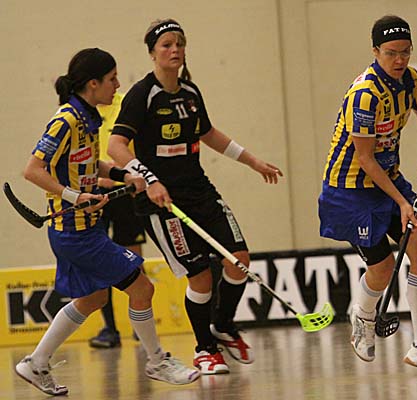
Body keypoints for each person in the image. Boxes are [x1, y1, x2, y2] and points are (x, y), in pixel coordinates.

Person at [14, 48, 199, 396]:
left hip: (86, 227)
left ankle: (35, 363)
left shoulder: (89, 117)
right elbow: (33, 170)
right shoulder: (65, 120)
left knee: (93, 299)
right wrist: (74, 197)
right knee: (142, 288)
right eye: (112, 79)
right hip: (75, 232)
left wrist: (121, 175)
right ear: (92, 83)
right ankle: (157, 361)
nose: (117, 85)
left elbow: (89, 165)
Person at [108, 19, 283, 375]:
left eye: (179, 44)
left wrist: (253, 161)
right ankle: (205, 350)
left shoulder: (190, 92)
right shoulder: (142, 95)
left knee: (239, 260)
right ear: (153, 53)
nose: (175, 50)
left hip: (199, 190)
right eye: (166, 45)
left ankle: (223, 325)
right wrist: (150, 179)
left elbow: (208, 133)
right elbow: (116, 146)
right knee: (200, 276)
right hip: (162, 201)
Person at [318, 15, 417, 371]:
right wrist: (402, 202)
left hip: (388, 178)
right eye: (391, 53)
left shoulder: (412, 80)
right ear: (375, 51)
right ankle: (363, 316)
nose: (399, 60)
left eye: (405, 52)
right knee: (383, 267)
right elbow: (364, 158)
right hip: (350, 190)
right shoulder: (364, 95)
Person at [88, 92, 148, 348]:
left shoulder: (126, 103)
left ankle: (140, 326)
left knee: (133, 258)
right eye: (110, 78)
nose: (115, 84)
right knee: (99, 260)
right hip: (95, 194)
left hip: (125, 193)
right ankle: (110, 329)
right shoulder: (82, 110)